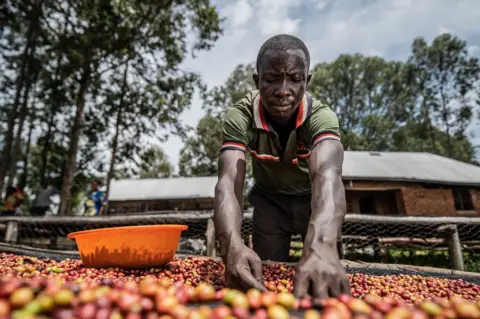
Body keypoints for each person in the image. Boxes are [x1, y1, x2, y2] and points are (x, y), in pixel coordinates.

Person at [213, 34, 350, 300]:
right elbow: (229, 183)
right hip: (269, 203)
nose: (283, 90)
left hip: (314, 201)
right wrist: (231, 246)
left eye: (295, 79)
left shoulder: (321, 118)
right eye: (272, 78)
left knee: (325, 281)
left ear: (307, 82)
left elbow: (328, 176)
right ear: (257, 80)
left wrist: (322, 245)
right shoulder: (240, 116)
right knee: (262, 277)